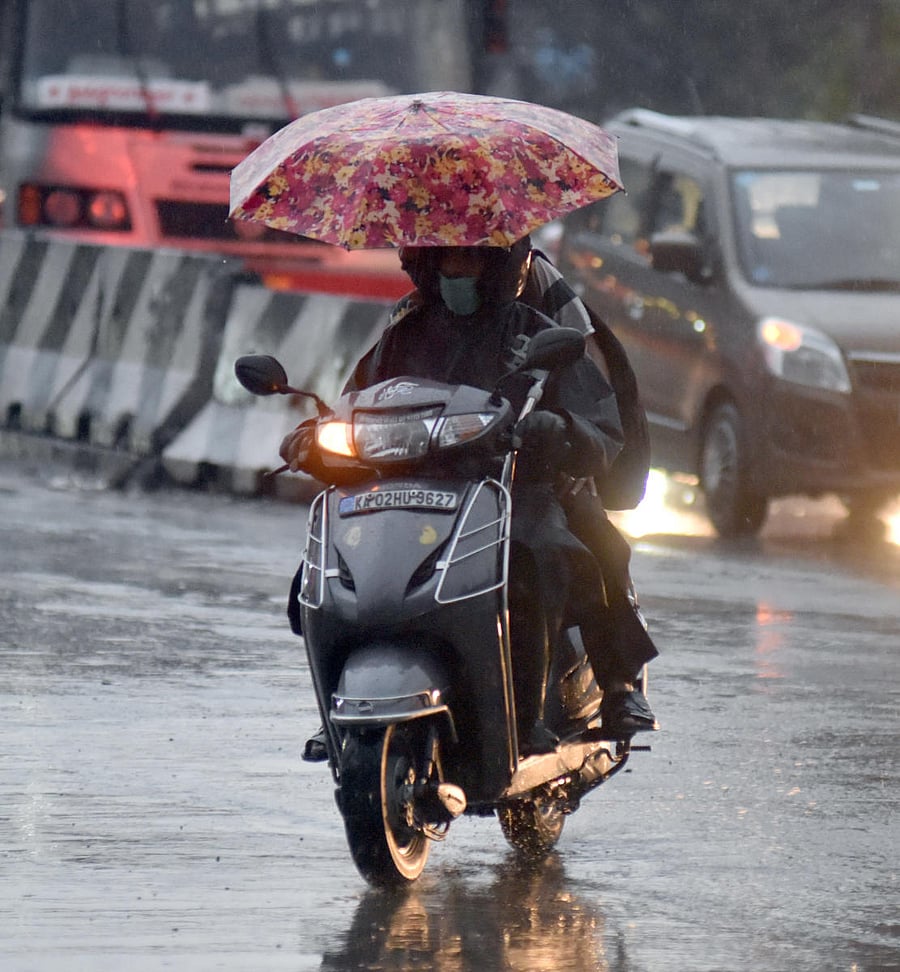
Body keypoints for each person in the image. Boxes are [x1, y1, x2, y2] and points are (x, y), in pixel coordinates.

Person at [285, 238, 657, 760]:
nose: (458, 270)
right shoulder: (403, 331)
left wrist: (559, 430)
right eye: (447, 258)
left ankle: (543, 711)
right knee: (320, 575)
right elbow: (354, 405)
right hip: (403, 493)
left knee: (543, 556)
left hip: (511, 487)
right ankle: (335, 711)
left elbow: (599, 428)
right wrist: (311, 434)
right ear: (427, 263)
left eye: (473, 257)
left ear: (500, 263)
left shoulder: (536, 330)